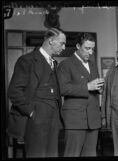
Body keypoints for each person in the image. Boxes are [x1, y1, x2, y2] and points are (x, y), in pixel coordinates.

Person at [7, 28, 66, 157]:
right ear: (51, 41)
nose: (64, 47)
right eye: (62, 43)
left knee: (53, 154)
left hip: (54, 118)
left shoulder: (54, 63)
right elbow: (14, 91)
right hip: (36, 118)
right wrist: (31, 112)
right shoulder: (27, 60)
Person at [57, 33, 104, 157]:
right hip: (75, 120)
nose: (90, 52)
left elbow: (95, 86)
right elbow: (63, 89)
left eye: (92, 49)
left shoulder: (93, 66)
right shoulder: (65, 65)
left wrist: (100, 89)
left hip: (93, 120)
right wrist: (87, 87)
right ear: (78, 46)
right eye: (87, 48)